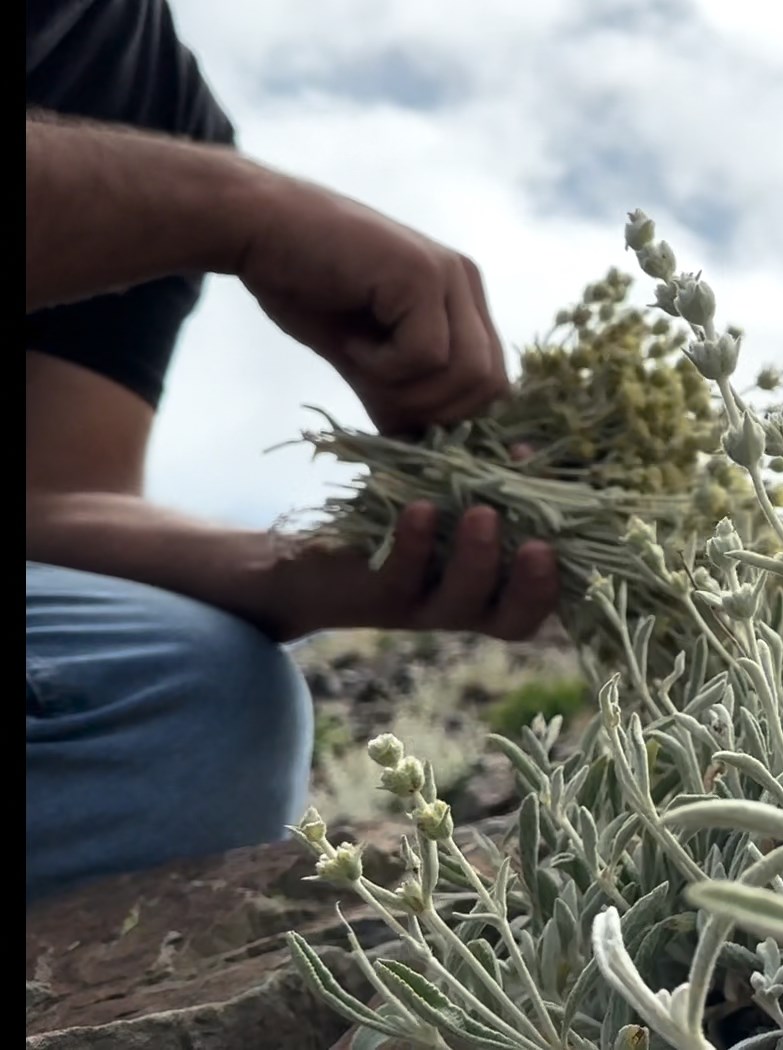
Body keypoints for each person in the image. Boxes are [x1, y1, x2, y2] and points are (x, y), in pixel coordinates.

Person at [25, 0, 561, 905]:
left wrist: (296, 569)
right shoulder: (206, 186)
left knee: (202, 701)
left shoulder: (143, 88)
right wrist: (239, 213)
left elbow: (49, 497)